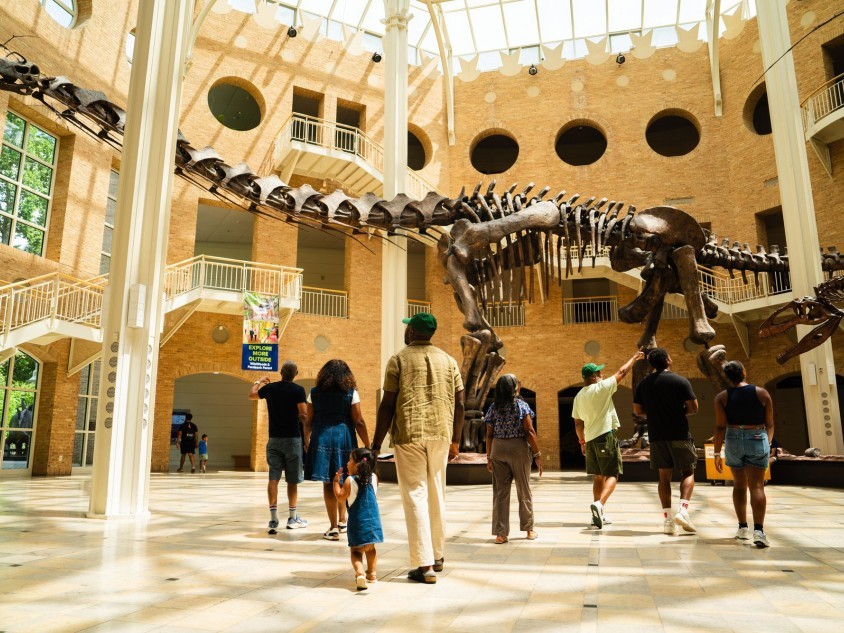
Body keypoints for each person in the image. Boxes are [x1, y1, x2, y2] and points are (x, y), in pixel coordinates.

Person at [371, 312, 465, 584]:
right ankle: (437, 556)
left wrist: (376, 445)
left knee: (415, 494)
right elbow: (460, 403)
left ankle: (424, 566)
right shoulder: (449, 361)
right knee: (437, 492)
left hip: (409, 434)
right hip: (441, 434)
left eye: (407, 327)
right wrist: (456, 439)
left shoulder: (398, 360)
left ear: (411, 332)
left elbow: (387, 405)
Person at [573, 350, 644, 529]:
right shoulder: (601, 387)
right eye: (599, 372)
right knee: (613, 474)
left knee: (598, 476)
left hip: (589, 441)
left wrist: (582, 442)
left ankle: (597, 514)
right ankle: (600, 504)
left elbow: (578, 424)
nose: (602, 374)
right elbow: (622, 372)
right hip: (605, 436)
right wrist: (634, 357)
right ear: (594, 377)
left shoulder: (578, 396)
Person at [633, 348, 699, 535]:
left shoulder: (643, 384)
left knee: (664, 477)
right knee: (688, 471)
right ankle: (683, 510)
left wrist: (654, 413)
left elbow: (638, 411)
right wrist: (677, 412)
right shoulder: (680, 381)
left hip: (657, 436)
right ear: (668, 360)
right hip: (679, 433)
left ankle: (668, 521)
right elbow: (694, 408)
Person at [304, 359, 370, 541]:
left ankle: (334, 526)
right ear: (347, 376)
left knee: (328, 481)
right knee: (344, 477)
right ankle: (342, 521)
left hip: (322, 437)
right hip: (345, 438)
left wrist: (306, 439)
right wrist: (368, 444)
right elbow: (359, 421)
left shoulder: (314, 393)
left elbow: (308, 421)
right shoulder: (351, 393)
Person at [713, 360, 774, 548]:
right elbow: (770, 423)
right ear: (744, 372)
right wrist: (767, 442)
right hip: (757, 435)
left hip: (733, 438)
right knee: (757, 487)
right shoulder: (762, 393)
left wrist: (716, 452)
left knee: (739, 486)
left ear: (727, 377)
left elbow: (720, 426)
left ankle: (742, 528)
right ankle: (759, 532)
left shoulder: (721, 397)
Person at [249, 360, 309, 534]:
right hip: (292, 439)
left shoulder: (271, 388)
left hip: (274, 439)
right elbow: (304, 414)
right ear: (296, 374)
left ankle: (274, 518)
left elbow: (252, 395)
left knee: (273, 478)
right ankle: (292, 517)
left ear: (281, 372)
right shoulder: (298, 390)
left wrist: (258, 382)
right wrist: (307, 439)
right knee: (292, 480)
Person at [484, 374, 542, 543]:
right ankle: (529, 530)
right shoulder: (521, 406)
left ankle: (501, 534)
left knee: (500, 493)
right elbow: (530, 432)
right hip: (518, 449)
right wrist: (537, 455)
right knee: (524, 490)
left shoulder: (493, 407)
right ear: (513, 388)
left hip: (498, 448)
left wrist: (489, 457)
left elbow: (489, 434)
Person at [333, 448, 383, 591]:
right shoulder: (374, 478)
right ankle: (372, 574)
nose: (347, 463)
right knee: (370, 548)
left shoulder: (349, 481)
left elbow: (340, 497)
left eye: (350, 460)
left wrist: (336, 482)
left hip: (357, 523)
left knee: (356, 551)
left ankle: (360, 572)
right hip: (373, 522)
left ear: (357, 465)